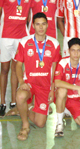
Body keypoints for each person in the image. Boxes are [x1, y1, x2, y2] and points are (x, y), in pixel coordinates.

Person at [15, 12, 61, 140]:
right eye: (38, 24)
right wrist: (21, 81)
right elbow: (18, 65)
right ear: (33, 26)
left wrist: (52, 89)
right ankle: (25, 125)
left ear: (47, 25)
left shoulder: (54, 43)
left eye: (43, 24)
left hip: (45, 86)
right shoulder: (24, 42)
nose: (41, 27)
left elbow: (55, 69)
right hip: (29, 83)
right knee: (20, 96)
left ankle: (27, 107)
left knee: (40, 124)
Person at [0, 0, 34, 117]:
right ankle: (2, 103)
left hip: (21, 36)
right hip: (6, 35)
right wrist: (3, 26)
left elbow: (31, 13)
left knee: (16, 69)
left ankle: (13, 101)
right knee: (4, 69)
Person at [54, 38, 80, 137]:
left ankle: (68, 111)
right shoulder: (63, 62)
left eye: (78, 50)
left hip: (77, 100)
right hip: (63, 97)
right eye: (73, 50)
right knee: (62, 91)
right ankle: (59, 124)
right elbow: (57, 82)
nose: (76, 53)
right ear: (68, 51)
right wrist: (78, 88)